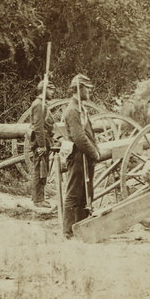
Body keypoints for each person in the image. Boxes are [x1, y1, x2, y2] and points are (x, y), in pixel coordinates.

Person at [60, 73, 110, 238]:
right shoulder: (72, 111)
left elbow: (88, 134)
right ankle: (68, 233)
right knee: (74, 195)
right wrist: (94, 153)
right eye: (87, 89)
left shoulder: (81, 109)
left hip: (85, 157)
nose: (89, 92)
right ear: (79, 89)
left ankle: (82, 229)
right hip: (77, 157)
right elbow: (79, 138)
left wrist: (93, 151)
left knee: (85, 195)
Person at [28, 79, 57, 208]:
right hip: (41, 142)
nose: (53, 92)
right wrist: (41, 145)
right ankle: (38, 200)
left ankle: (38, 197)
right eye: (50, 89)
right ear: (44, 90)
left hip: (44, 140)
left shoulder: (41, 104)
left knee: (41, 170)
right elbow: (38, 127)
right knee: (39, 170)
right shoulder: (39, 105)